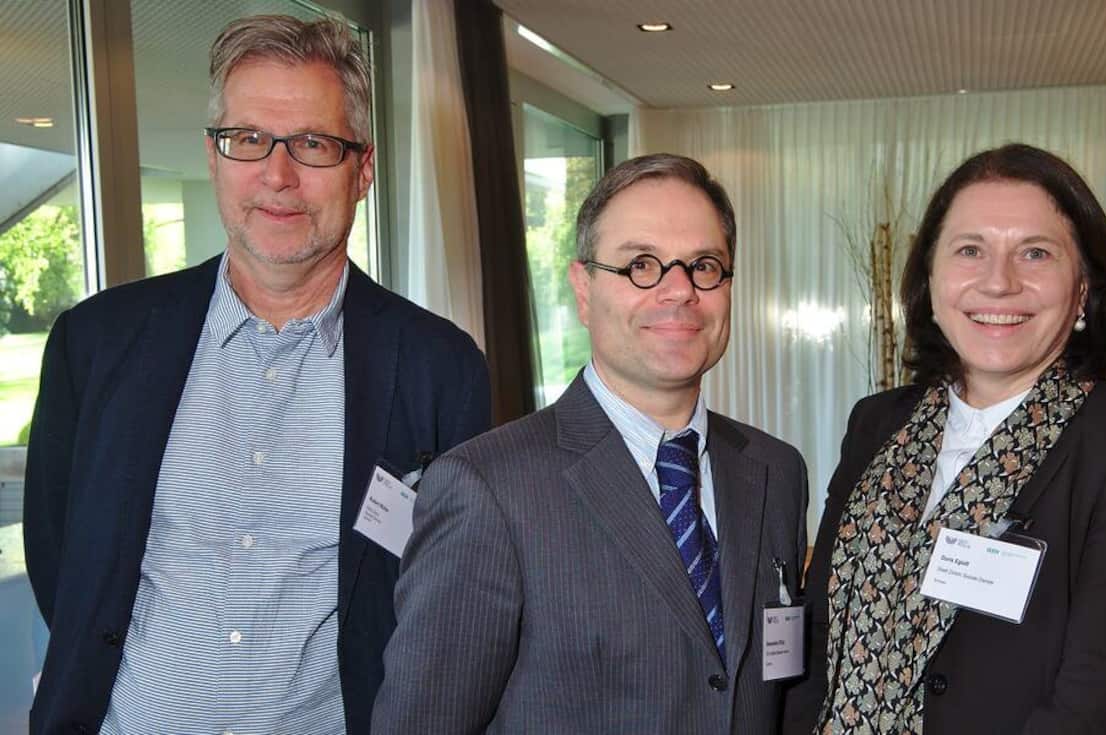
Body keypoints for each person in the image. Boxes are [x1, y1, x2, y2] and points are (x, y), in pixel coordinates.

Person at [22, 15, 490, 735]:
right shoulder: (96, 343)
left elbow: (449, 597)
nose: (277, 175)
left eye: (312, 143)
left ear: (362, 168)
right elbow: (64, 565)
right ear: (213, 157)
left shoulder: (440, 368)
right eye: (247, 140)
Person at [371, 153, 809, 734]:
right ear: (583, 288)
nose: (678, 291)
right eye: (642, 265)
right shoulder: (488, 490)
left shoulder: (776, 472)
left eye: (704, 265)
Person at [782, 143, 1106, 734]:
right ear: (930, 281)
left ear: (1084, 287)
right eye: (969, 250)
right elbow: (818, 629)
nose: (999, 282)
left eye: (1035, 253)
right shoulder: (876, 424)